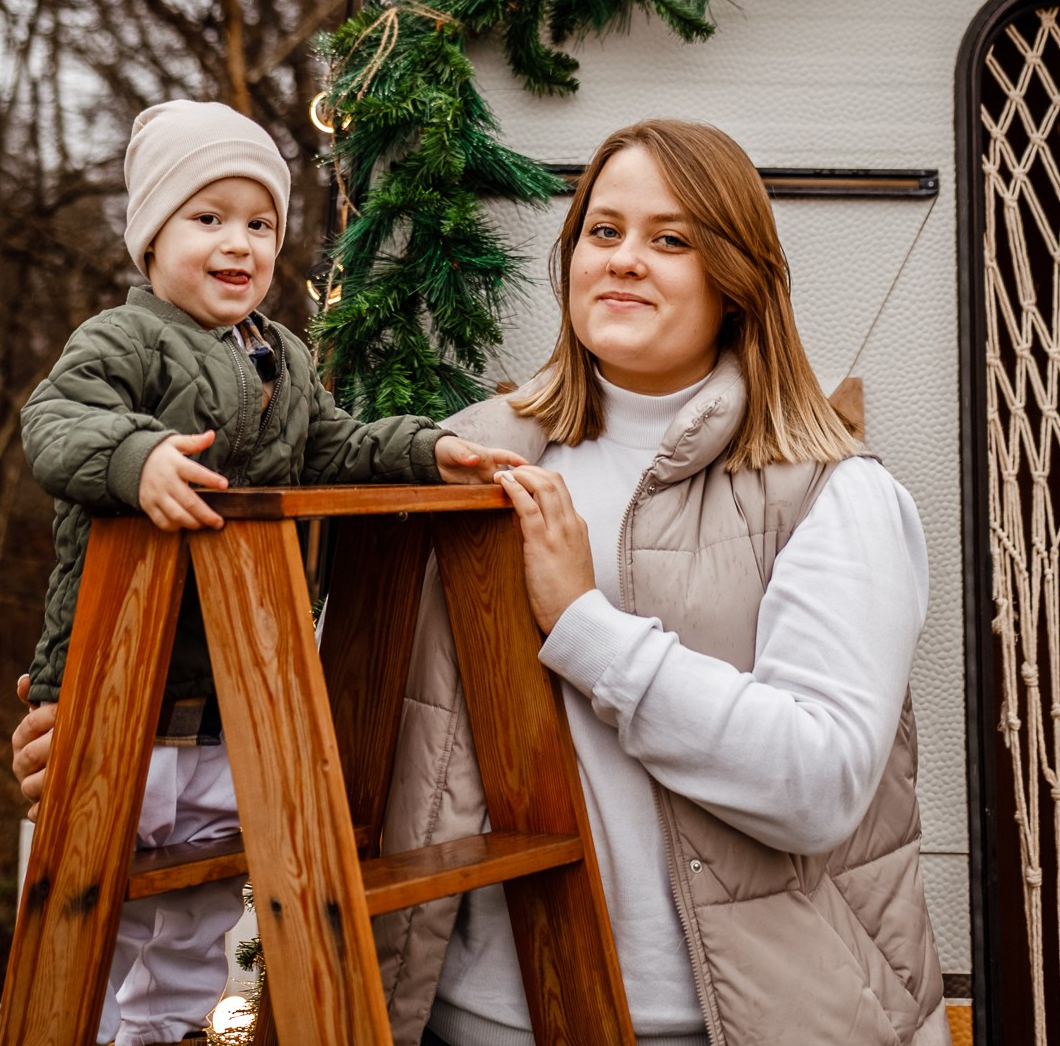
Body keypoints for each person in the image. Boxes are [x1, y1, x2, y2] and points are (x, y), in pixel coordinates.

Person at [375, 117, 948, 1046]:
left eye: (670, 240)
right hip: (482, 1020)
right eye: (603, 231)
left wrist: (583, 623)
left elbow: (818, 783)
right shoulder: (469, 461)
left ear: (736, 280)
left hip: (742, 1022)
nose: (624, 259)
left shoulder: (834, 492)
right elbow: (369, 725)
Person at [17, 98, 522, 1046]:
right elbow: (54, 423)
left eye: (259, 224)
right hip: (119, 687)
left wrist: (427, 450)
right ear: (151, 235)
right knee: (91, 910)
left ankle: (163, 1034)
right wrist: (137, 459)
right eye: (207, 218)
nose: (237, 244)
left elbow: (337, 447)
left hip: (230, 698)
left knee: (200, 915)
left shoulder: (282, 355)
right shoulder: (121, 341)